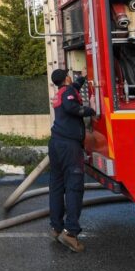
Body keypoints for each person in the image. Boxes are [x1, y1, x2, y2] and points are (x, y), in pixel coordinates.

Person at [48, 68, 95, 253]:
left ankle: (56, 227)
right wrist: (92, 109)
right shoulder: (67, 93)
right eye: (69, 75)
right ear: (66, 78)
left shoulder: (62, 91)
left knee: (57, 186)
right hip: (69, 146)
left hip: (56, 144)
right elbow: (72, 107)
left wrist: (83, 78)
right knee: (74, 186)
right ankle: (71, 232)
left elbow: (73, 88)